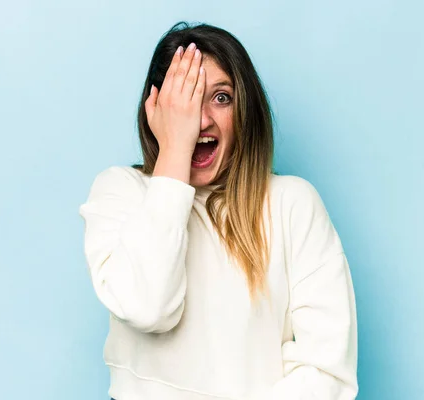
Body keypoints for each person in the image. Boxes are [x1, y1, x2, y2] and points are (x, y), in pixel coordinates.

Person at [79, 21, 358, 400]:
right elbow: (147, 308)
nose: (202, 119)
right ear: (157, 111)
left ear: (245, 110)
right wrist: (175, 150)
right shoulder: (121, 192)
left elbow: (327, 371)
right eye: (186, 100)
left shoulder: (292, 203)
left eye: (221, 97)